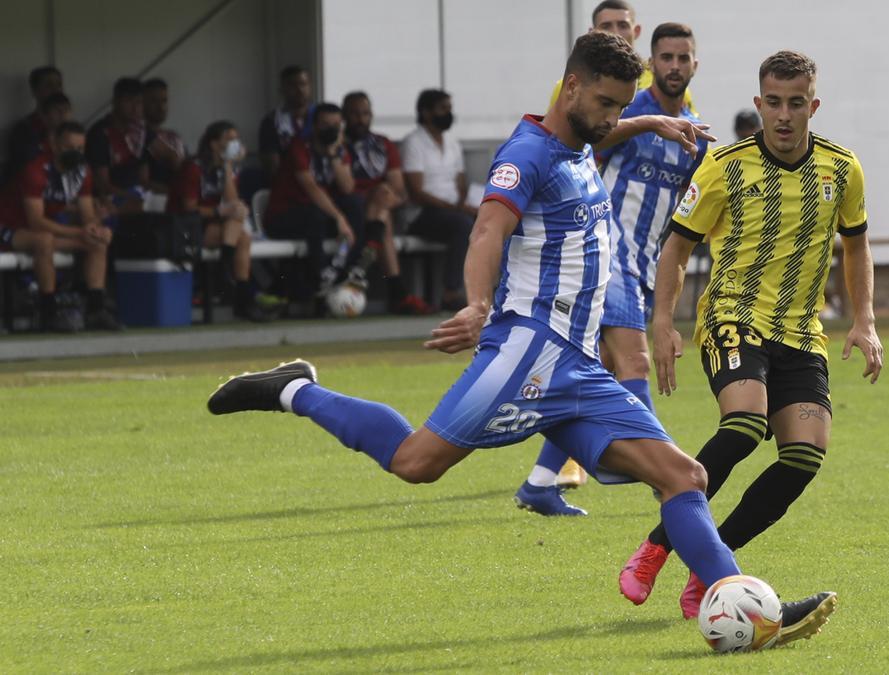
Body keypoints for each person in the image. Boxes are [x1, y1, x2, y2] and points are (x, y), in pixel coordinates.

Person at [206, 32, 836, 644]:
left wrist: (646, 124)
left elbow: (603, 131)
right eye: (607, 103)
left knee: (683, 477)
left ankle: (755, 612)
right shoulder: (526, 155)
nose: (613, 115)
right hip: (527, 352)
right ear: (570, 89)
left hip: (579, 368)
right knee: (415, 463)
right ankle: (298, 390)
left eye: (623, 104)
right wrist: (478, 303)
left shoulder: (581, 140)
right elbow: (487, 231)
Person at [617, 50, 883, 620]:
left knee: (805, 459)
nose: (784, 116)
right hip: (732, 317)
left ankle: (710, 564)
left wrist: (864, 320)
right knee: (744, 424)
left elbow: (857, 243)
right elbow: (678, 245)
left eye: (795, 105)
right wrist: (662, 324)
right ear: (759, 103)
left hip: (801, 332)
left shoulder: (842, 169)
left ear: (813, 106)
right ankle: (655, 548)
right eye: (773, 104)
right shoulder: (724, 166)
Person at [514, 22, 707, 516]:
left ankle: (539, 483)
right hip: (607, 253)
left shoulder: (693, 130)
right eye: (665, 57)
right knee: (635, 363)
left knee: (590, 371)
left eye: (683, 58)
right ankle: (662, 470)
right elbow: (582, 142)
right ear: (651, 62)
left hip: (642, 265)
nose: (674, 66)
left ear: (694, 65)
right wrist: (647, 123)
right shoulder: (626, 111)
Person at [0, 121, 122, 331]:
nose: (76, 153)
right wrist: (79, 232)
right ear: (55, 145)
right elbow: (36, 222)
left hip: (43, 230)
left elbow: (87, 215)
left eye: (80, 148)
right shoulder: (36, 170)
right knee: (44, 240)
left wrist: (96, 229)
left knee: (97, 242)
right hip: (9, 228)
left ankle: (96, 309)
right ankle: (49, 311)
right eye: (69, 148)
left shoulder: (82, 173)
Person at [263, 102, 367, 312]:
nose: (332, 129)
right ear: (314, 126)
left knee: (354, 203)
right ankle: (320, 277)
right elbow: (312, 190)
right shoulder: (299, 148)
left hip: (316, 217)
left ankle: (348, 267)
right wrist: (339, 219)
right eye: (326, 124)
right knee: (316, 214)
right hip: (283, 216)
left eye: (337, 124)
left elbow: (347, 187)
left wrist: (333, 155)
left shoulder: (339, 150)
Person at [168, 120, 270, 322]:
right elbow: (189, 208)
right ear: (214, 144)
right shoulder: (193, 168)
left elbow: (231, 200)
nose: (236, 143)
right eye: (229, 139)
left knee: (241, 231)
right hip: (185, 226)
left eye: (237, 139)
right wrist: (220, 210)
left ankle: (227, 274)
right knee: (240, 233)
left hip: (215, 225)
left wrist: (228, 166)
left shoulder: (227, 168)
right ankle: (241, 297)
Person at [342, 91, 433, 315]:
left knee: (383, 200)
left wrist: (382, 195)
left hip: (380, 205)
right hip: (349, 209)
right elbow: (344, 188)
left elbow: (398, 188)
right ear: (345, 116)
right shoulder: (338, 145)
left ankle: (371, 246)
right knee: (383, 219)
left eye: (365, 113)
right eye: (354, 114)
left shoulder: (382, 144)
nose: (360, 119)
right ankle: (398, 291)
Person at [548, 1, 697, 115]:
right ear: (592, 32)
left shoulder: (664, 81)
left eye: (623, 25)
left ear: (636, 31)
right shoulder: (571, 83)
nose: (616, 33)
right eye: (606, 26)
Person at [400, 89, 473, 310]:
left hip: (451, 210)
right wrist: (454, 208)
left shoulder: (452, 142)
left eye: (450, 109)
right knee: (462, 225)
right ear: (426, 112)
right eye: (443, 109)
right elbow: (416, 192)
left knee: (491, 219)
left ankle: (490, 290)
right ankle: (451, 293)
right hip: (422, 214)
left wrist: (462, 203)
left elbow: (461, 182)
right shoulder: (413, 142)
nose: (449, 113)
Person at [85, 77, 147, 214]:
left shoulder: (140, 132)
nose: (135, 108)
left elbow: (144, 178)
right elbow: (102, 184)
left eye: (139, 102)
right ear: (115, 102)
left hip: (138, 194)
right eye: (129, 101)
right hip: (110, 197)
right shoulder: (100, 133)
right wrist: (133, 197)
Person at [4, 65, 67, 184]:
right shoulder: (23, 129)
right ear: (34, 90)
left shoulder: (70, 127)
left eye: (58, 85)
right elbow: (23, 172)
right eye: (49, 85)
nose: (55, 90)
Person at [259, 66, 316, 181]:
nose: (300, 90)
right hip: (289, 182)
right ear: (282, 89)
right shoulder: (271, 121)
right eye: (293, 85)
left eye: (304, 84)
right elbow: (272, 167)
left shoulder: (321, 116)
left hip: (322, 180)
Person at [142, 78, 187, 195]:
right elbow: (142, 182)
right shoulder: (137, 137)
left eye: (164, 101)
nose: (161, 107)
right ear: (142, 103)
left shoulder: (174, 136)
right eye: (154, 101)